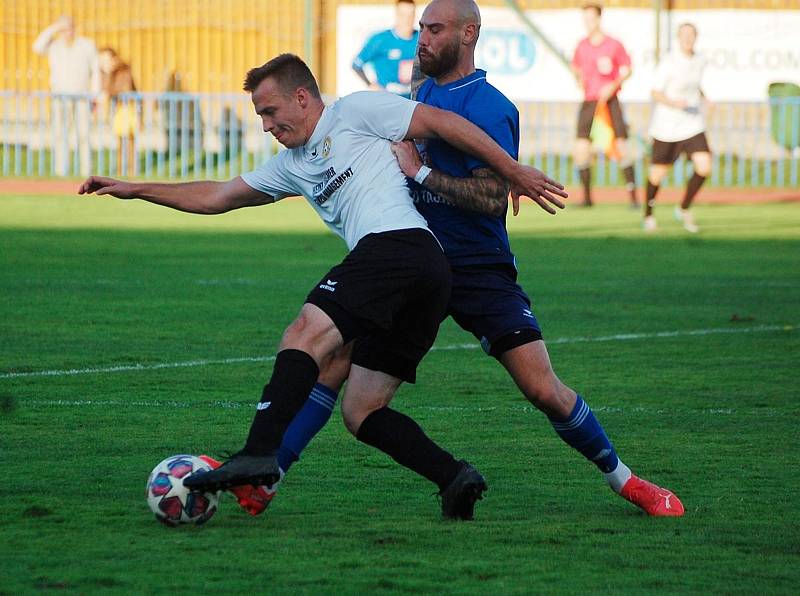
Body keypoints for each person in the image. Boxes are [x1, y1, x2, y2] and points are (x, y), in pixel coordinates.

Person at [244, 0, 684, 519]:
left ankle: (626, 481)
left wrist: (421, 175)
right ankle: (266, 479)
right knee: (337, 365)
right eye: (422, 30)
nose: (421, 39)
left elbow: (494, 198)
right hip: (412, 261)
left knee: (541, 388)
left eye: (434, 30)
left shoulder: (490, 106)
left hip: (477, 269)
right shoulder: (422, 88)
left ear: (468, 34)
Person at [78, 53, 567, 520]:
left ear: (303, 98)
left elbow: (442, 124)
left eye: (270, 112)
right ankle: (454, 476)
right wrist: (134, 188)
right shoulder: (291, 165)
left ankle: (258, 454)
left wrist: (512, 170)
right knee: (362, 411)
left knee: (304, 332)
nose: (266, 126)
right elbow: (218, 196)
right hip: (423, 277)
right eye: (260, 117)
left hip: (401, 247)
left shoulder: (355, 111)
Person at [643, 23, 711, 234]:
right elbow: (655, 92)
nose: (688, 39)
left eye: (691, 35)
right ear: (678, 38)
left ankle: (684, 207)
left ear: (696, 37)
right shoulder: (669, 62)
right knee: (657, 174)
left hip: (692, 124)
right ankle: (648, 214)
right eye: (684, 35)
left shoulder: (700, 60)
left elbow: (695, 85)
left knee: (705, 165)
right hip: (667, 126)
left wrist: (705, 98)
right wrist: (673, 103)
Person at [571, 4, 638, 208]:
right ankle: (587, 198)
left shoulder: (613, 44)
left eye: (591, 19)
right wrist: (579, 78)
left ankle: (634, 198)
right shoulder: (582, 45)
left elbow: (627, 70)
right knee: (581, 149)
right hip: (590, 102)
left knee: (621, 147)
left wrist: (613, 85)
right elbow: (576, 67)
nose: (588, 23)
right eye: (585, 19)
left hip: (610, 102)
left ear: (599, 19)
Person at [33, 16, 99, 177]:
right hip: (59, 97)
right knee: (59, 134)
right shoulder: (54, 46)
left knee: (84, 133)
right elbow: (37, 47)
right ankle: (61, 171)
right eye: (63, 29)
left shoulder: (86, 45)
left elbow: (96, 71)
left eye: (68, 28)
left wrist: (95, 95)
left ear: (74, 28)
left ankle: (86, 171)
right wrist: (53, 28)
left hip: (82, 96)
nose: (66, 32)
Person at [351, 0, 418, 98]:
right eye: (403, 14)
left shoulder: (421, 39)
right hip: (387, 101)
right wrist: (370, 84)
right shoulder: (381, 40)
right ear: (397, 15)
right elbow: (356, 65)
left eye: (410, 14)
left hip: (413, 101)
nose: (407, 19)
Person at [98, 47, 137, 176]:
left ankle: (132, 170)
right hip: (118, 108)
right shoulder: (105, 72)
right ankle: (121, 170)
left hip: (127, 107)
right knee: (120, 139)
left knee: (129, 139)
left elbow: (124, 89)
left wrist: (109, 91)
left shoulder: (122, 70)